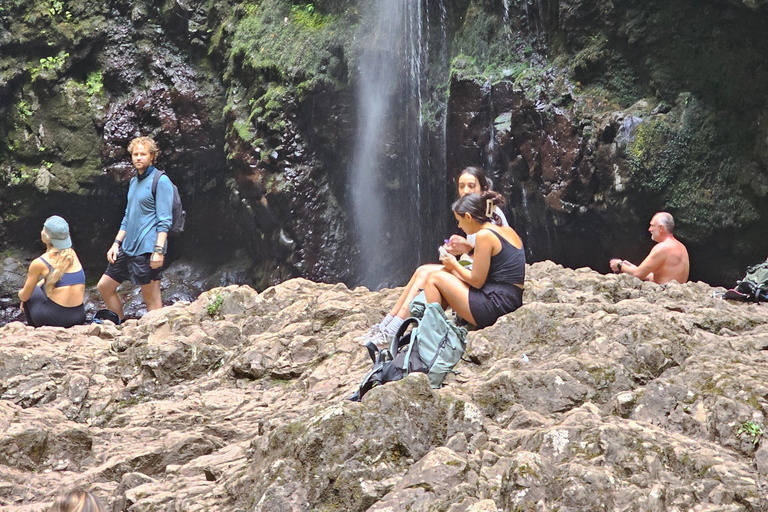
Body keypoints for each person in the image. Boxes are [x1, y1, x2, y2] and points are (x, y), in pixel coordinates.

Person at [358, 167, 509, 346]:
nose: (465, 191)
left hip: (487, 284)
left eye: (471, 186)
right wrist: (466, 248)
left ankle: (392, 331)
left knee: (428, 274)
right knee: (422, 270)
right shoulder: (476, 212)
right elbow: (485, 253)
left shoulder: (490, 215)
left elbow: (493, 256)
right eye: (461, 186)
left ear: (483, 189)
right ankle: (386, 325)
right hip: (482, 276)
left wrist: (455, 261)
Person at [97, 136, 173, 321]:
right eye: (135, 154)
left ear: (152, 156)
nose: (138, 157)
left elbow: (165, 220)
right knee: (104, 286)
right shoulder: (134, 181)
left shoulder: (160, 181)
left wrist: (158, 251)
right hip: (128, 247)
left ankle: (159, 340)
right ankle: (121, 325)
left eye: (143, 154)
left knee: (152, 299)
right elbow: (128, 216)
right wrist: (116, 244)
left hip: (147, 248)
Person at [425, 192, 525, 328]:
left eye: (459, 221)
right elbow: (499, 262)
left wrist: (453, 263)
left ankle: (433, 334)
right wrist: (468, 251)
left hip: (496, 304)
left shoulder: (484, 235)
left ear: (468, 217)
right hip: (511, 300)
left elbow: (477, 281)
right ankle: (440, 327)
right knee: (446, 273)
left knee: (434, 278)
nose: (459, 226)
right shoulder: (507, 230)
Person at [17, 216, 86, 328]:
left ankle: (34, 329)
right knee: (40, 286)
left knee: (30, 290)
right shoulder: (72, 254)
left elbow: (25, 296)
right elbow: (58, 279)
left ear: (46, 237)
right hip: (79, 316)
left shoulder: (39, 262)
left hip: (54, 319)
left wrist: (21, 295)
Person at [609, 211, 689, 284]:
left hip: (663, 295)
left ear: (661, 228)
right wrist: (631, 268)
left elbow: (638, 274)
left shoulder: (662, 248)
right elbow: (660, 278)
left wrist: (619, 266)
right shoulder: (682, 247)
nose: (649, 229)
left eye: (652, 225)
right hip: (677, 295)